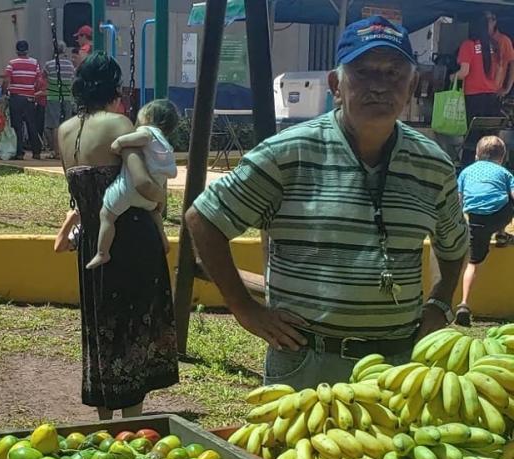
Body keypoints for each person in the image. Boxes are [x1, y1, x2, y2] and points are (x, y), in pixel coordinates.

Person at [186, 16, 468, 387]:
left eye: (394, 73)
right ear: (336, 85)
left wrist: (441, 303)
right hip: (307, 362)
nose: (380, 87)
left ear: (412, 84)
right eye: (364, 73)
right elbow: (203, 218)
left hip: (399, 364)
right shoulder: (288, 154)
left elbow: (455, 243)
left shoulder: (432, 165)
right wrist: (244, 308)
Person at [56, 52, 178, 419]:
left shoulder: (63, 131)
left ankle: (104, 421)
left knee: (100, 326)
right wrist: (162, 197)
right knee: (133, 325)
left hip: (94, 239)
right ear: (114, 86)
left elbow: (78, 192)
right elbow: (141, 181)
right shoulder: (119, 124)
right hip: (132, 237)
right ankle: (133, 421)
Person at [87, 99, 179, 269]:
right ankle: (163, 238)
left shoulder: (148, 132)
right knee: (155, 214)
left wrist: (119, 143)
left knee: (107, 215)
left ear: (149, 116)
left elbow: (142, 137)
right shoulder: (165, 143)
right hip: (151, 198)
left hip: (129, 191)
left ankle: (102, 253)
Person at [455, 136, 514, 326]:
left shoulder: (466, 172)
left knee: (472, 263)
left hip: (476, 221)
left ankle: (464, 303)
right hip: (499, 216)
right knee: (507, 200)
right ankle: (502, 233)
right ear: (503, 157)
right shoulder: (505, 173)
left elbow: (459, 200)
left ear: (476, 155)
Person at [454, 14, 505, 126]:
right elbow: (500, 71)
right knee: (490, 135)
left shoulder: (468, 45)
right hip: (492, 97)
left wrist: (452, 77)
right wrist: (493, 87)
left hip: (473, 97)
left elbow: (464, 72)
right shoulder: (495, 45)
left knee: (473, 135)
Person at [3, 40, 42, 160]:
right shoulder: (35, 63)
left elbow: (6, 80)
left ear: (16, 50)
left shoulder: (12, 63)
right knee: (32, 124)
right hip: (30, 97)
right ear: (27, 50)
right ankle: (36, 152)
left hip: (16, 97)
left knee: (17, 125)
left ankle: (19, 152)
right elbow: (38, 80)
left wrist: (4, 91)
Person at [44, 41, 75, 155]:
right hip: (67, 97)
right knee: (66, 124)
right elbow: (72, 78)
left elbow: (44, 78)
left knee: (54, 125)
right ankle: (65, 151)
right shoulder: (70, 65)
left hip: (53, 96)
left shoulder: (49, 64)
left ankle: (56, 151)